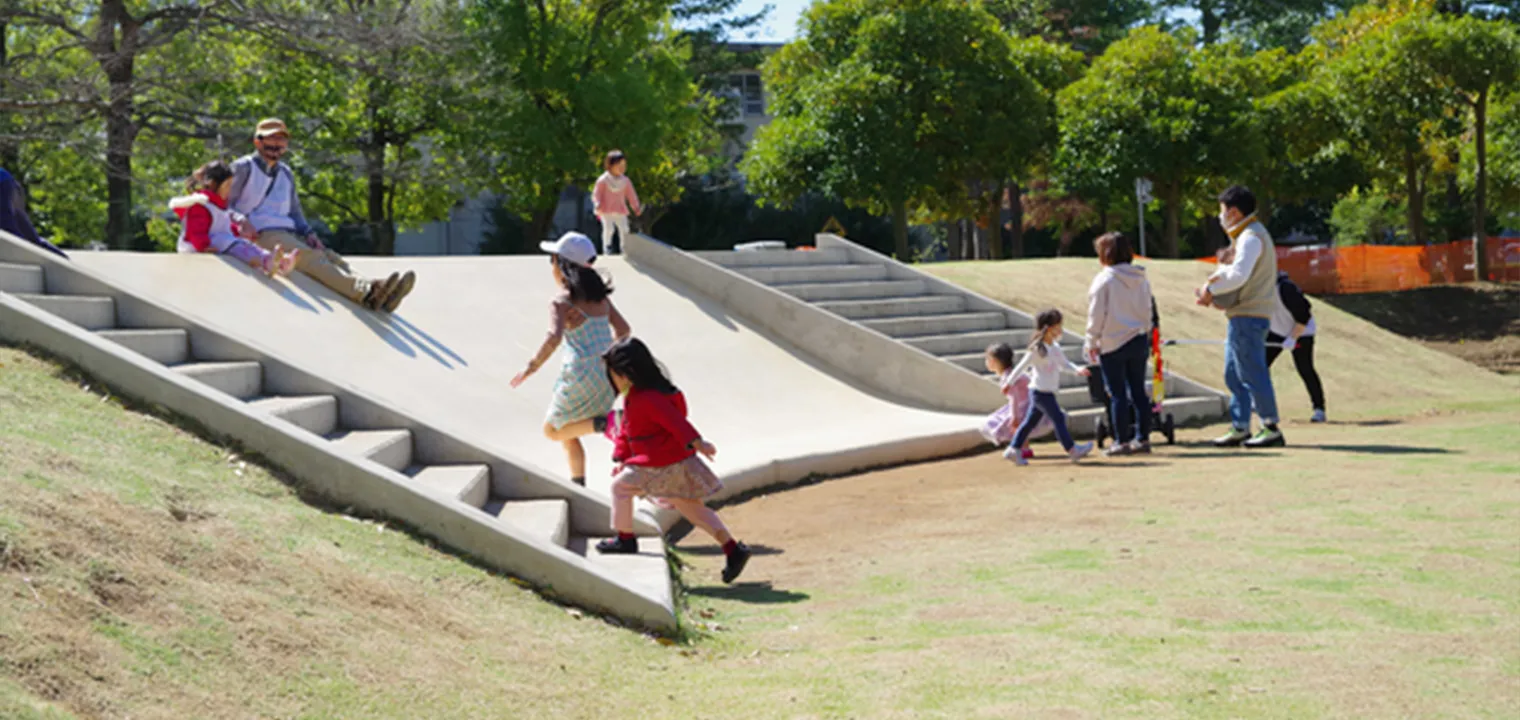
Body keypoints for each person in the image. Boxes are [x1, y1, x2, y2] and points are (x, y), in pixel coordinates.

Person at [596, 337, 751, 584]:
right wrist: (622, 457)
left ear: (626, 373)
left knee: (620, 488)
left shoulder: (647, 398)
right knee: (693, 510)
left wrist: (698, 442)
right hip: (676, 463)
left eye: (614, 374)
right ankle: (733, 549)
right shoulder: (650, 394)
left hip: (658, 464)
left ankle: (625, 539)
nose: (613, 380)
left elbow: (676, 423)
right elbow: (627, 430)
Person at [228, 118, 416, 312]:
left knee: (332, 257)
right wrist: (241, 221)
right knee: (311, 259)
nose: (276, 144)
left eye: (281, 139)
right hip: (262, 233)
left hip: (289, 231)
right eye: (271, 139)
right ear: (257, 141)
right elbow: (223, 204)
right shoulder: (243, 167)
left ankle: (379, 292)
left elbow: (294, 211)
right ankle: (366, 293)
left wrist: (309, 233)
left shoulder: (286, 173)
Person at [510, 232, 631, 486]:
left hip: (579, 373)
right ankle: (578, 484)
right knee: (569, 431)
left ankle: (607, 424)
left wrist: (530, 368)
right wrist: (609, 359)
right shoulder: (601, 298)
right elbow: (624, 330)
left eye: (552, 260)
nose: (551, 267)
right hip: (608, 376)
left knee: (551, 430)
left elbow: (553, 338)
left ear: (562, 265)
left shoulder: (562, 301)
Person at [1196, 185, 1284, 448]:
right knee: (1233, 374)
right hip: (1241, 315)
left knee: (1252, 371)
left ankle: (1270, 426)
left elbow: (1239, 276)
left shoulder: (1251, 236)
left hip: (1250, 313)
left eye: (1222, 211)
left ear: (1234, 212)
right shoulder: (1247, 235)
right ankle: (1240, 426)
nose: (1220, 216)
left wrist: (1210, 289)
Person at [1084, 231, 1155, 456]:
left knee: (1117, 394)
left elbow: (1096, 313)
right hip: (1138, 338)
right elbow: (1148, 310)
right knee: (1139, 391)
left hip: (1112, 341)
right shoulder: (1141, 277)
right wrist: (1145, 330)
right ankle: (1143, 438)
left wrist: (1091, 340)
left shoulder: (1104, 279)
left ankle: (1121, 441)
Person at [171, 160, 297, 277]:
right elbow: (195, 230)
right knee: (235, 245)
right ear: (213, 184)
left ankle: (278, 262)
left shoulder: (219, 206)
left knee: (244, 244)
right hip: (198, 247)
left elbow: (223, 225)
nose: (229, 190)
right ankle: (265, 262)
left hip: (218, 241)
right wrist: (203, 246)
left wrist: (237, 233)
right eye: (226, 185)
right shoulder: (201, 205)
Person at [1005, 309, 1095, 466]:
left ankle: (1013, 449)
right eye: (1058, 325)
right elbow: (1021, 366)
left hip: (1045, 391)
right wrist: (1009, 382)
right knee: (1058, 418)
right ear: (1048, 327)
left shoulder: (1055, 347)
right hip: (1040, 392)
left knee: (1029, 422)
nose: (1060, 329)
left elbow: (1064, 363)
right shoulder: (1036, 349)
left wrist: (1077, 370)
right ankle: (1072, 450)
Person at [1267, 271, 1327, 423]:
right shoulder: (1257, 288)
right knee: (1260, 365)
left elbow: (1304, 315)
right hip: (1277, 330)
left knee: (1305, 368)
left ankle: (1319, 409)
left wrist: (1293, 338)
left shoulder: (1286, 288)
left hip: (1302, 331)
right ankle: (1262, 405)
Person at [979, 342, 1050, 460]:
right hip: (1029, 403)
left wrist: (1014, 416)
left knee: (1013, 424)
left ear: (994, 361)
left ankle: (1019, 448)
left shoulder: (1008, 377)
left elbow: (1014, 398)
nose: (986, 361)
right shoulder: (1012, 373)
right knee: (1020, 426)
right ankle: (1024, 448)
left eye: (987, 359)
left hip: (1024, 405)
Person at [0, 168, 67, 258]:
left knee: (9, 233)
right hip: (9, 182)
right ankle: (62, 260)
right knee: (29, 235)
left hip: (3, 185)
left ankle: (24, 256)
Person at [592, 150, 641, 256]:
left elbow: (631, 195)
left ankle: (625, 248)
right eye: (619, 165)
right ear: (610, 165)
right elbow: (596, 194)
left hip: (620, 209)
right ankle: (607, 247)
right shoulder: (603, 180)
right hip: (606, 210)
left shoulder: (625, 181)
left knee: (624, 229)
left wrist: (636, 206)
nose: (622, 168)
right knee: (609, 228)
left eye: (624, 165)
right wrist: (597, 203)